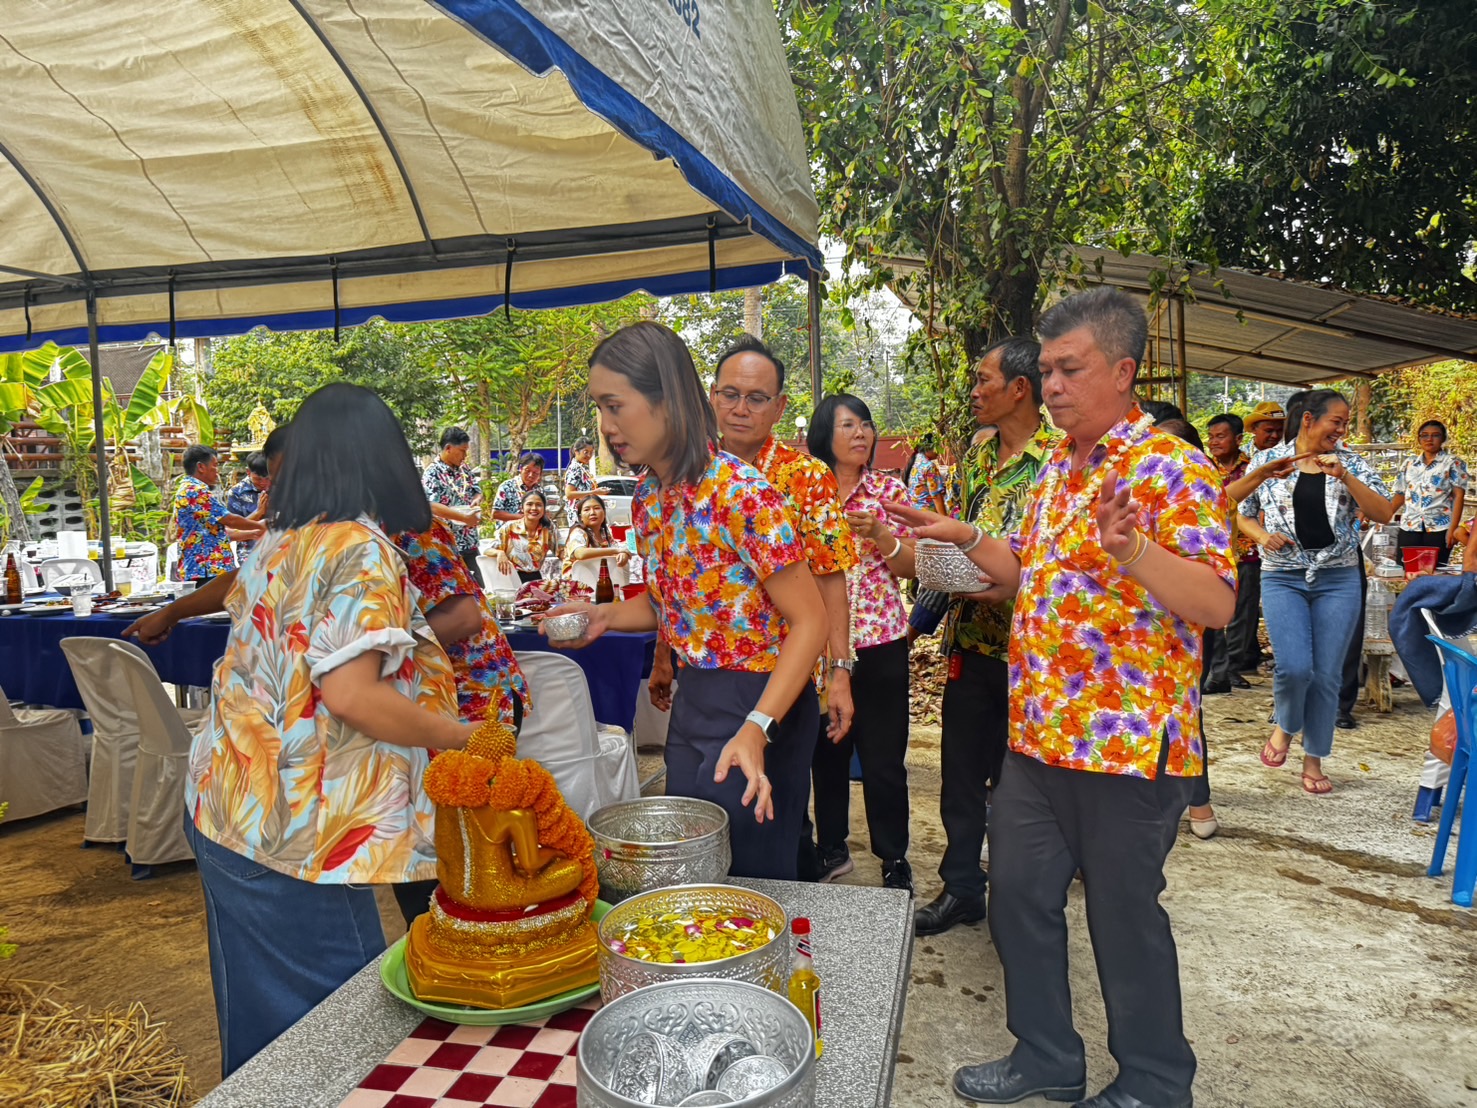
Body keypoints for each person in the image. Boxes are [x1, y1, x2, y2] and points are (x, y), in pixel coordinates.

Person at [888, 287, 1236, 1108]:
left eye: (1067, 369)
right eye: (1044, 369)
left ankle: (1155, 1080)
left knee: (1122, 919)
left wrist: (1135, 550)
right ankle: (1045, 1053)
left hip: (1123, 745)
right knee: (1016, 898)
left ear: (1122, 371)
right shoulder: (1058, 469)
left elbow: (1216, 605)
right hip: (1038, 736)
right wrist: (965, 538)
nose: (1050, 385)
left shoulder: (1169, 467)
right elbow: (1023, 576)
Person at [180, 384, 481, 1077]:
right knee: (332, 1038)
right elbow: (351, 695)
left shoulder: (287, 537)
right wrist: (464, 737)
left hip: (233, 806)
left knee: (268, 1032)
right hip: (287, 829)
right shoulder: (358, 548)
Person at [544, 321, 828, 880]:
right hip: (696, 701)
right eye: (600, 409)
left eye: (614, 405)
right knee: (694, 869)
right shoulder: (651, 497)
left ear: (666, 400)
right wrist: (603, 616)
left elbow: (810, 622)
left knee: (751, 878)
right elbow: (668, 604)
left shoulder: (741, 494)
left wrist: (756, 727)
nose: (606, 427)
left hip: (762, 699)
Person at [649, 334, 858, 765]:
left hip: (782, 677)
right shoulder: (686, 475)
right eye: (730, 394)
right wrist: (663, 656)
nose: (740, 409)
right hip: (705, 677)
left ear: (779, 407)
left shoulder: (805, 477)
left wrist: (841, 672)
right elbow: (676, 582)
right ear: (711, 397)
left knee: (775, 811)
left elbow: (830, 578)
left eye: (757, 398)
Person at [915, 336, 1057, 938]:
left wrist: (1013, 582)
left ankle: (1025, 904)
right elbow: (953, 537)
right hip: (972, 644)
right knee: (962, 776)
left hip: (1036, 656)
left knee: (1028, 791)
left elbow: (1063, 562)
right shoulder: (975, 459)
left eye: (984, 381)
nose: (974, 392)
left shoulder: (1061, 459)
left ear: (1019, 389)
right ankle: (963, 889)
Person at [1236, 389, 1394, 794]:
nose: (1341, 429)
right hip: (1282, 576)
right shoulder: (1271, 461)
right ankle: (1286, 725)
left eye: (1344, 423)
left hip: (1338, 578)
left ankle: (1314, 758)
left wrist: (1345, 476)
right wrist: (1261, 535)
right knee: (1293, 668)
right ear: (1308, 420)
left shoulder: (1351, 461)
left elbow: (1382, 512)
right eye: (1335, 421)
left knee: (1326, 674)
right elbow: (1242, 511)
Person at [803, 393, 917, 892]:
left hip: (881, 639)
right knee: (826, 752)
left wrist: (884, 538)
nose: (861, 434)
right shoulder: (806, 493)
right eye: (848, 425)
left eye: (866, 425)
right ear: (825, 435)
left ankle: (893, 856)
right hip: (822, 642)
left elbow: (918, 566)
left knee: (884, 756)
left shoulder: (888, 493)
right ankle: (832, 847)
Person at [1199, 413, 1253, 694]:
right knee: (1214, 614)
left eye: (1221, 436)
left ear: (1238, 439)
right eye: (1211, 437)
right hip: (1216, 551)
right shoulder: (1204, 467)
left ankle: (1232, 667)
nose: (1214, 442)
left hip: (1247, 549)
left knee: (1242, 613)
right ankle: (1219, 670)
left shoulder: (1253, 468)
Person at [173, 444, 262, 583]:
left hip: (206, 568)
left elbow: (214, 533)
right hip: (205, 569)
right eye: (215, 466)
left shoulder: (190, 488)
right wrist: (262, 526)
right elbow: (230, 520)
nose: (217, 472)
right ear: (201, 467)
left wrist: (253, 533)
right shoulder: (195, 490)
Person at [1391, 419, 1468, 567]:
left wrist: (1452, 529)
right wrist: (1382, 516)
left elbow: (1459, 496)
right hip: (1410, 525)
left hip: (1439, 527)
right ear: (1419, 439)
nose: (1429, 439)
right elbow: (1400, 494)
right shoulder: (1410, 463)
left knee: (1435, 572)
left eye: (1435, 435)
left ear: (1443, 438)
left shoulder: (1453, 463)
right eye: (1424, 435)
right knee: (1405, 571)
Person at [422, 427, 484, 584]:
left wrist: (476, 500)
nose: (465, 455)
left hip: (469, 540)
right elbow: (432, 505)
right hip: (446, 543)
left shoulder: (465, 470)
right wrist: (463, 517)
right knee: (455, 590)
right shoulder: (432, 473)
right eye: (462, 451)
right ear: (448, 448)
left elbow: (477, 491)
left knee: (479, 586)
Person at [493, 488, 557, 583]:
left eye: (539, 505)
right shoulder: (509, 527)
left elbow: (560, 550)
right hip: (511, 578)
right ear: (522, 508)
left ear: (544, 509)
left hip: (535, 578)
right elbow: (488, 549)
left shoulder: (548, 528)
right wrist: (499, 553)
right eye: (529, 504)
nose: (534, 508)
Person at [562, 494, 628, 573]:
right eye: (587, 510)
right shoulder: (578, 532)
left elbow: (617, 549)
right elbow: (580, 553)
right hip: (576, 581)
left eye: (596, 508)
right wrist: (615, 551)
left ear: (604, 513)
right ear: (581, 517)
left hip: (598, 578)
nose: (592, 513)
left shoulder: (604, 533)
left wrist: (622, 554)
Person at [224, 451, 272, 557]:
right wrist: (258, 513)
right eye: (258, 479)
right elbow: (232, 530)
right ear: (248, 472)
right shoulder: (237, 492)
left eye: (267, 478)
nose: (263, 483)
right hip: (250, 551)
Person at [491, 452, 547, 521]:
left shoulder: (539, 491)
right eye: (527, 470)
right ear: (521, 468)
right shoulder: (506, 487)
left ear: (540, 474)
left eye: (535, 473)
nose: (530, 475)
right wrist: (524, 518)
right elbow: (495, 514)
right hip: (508, 530)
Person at [906, 435, 947, 513]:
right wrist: (945, 519)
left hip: (915, 510)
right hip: (928, 513)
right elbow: (936, 495)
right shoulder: (929, 466)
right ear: (929, 447)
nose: (939, 451)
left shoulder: (916, 461)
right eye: (937, 447)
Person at [564, 437, 599, 506]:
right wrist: (594, 492)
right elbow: (569, 494)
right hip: (578, 512)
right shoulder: (575, 468)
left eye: (591, 453)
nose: (589, 455)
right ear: (576, 452)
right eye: (586, 452)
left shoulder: (582, 468)